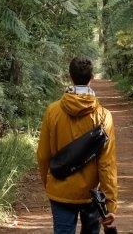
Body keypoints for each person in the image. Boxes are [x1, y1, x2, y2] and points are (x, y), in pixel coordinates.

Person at [36, 56, 119, 234]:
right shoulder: (104, 116)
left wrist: (49, 183)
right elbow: (107, 164)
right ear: (92, 78)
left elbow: (43, 155)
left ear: (70, 76)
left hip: (60, 190)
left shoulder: (52, 111)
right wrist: (110, 203)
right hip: (91, 195)